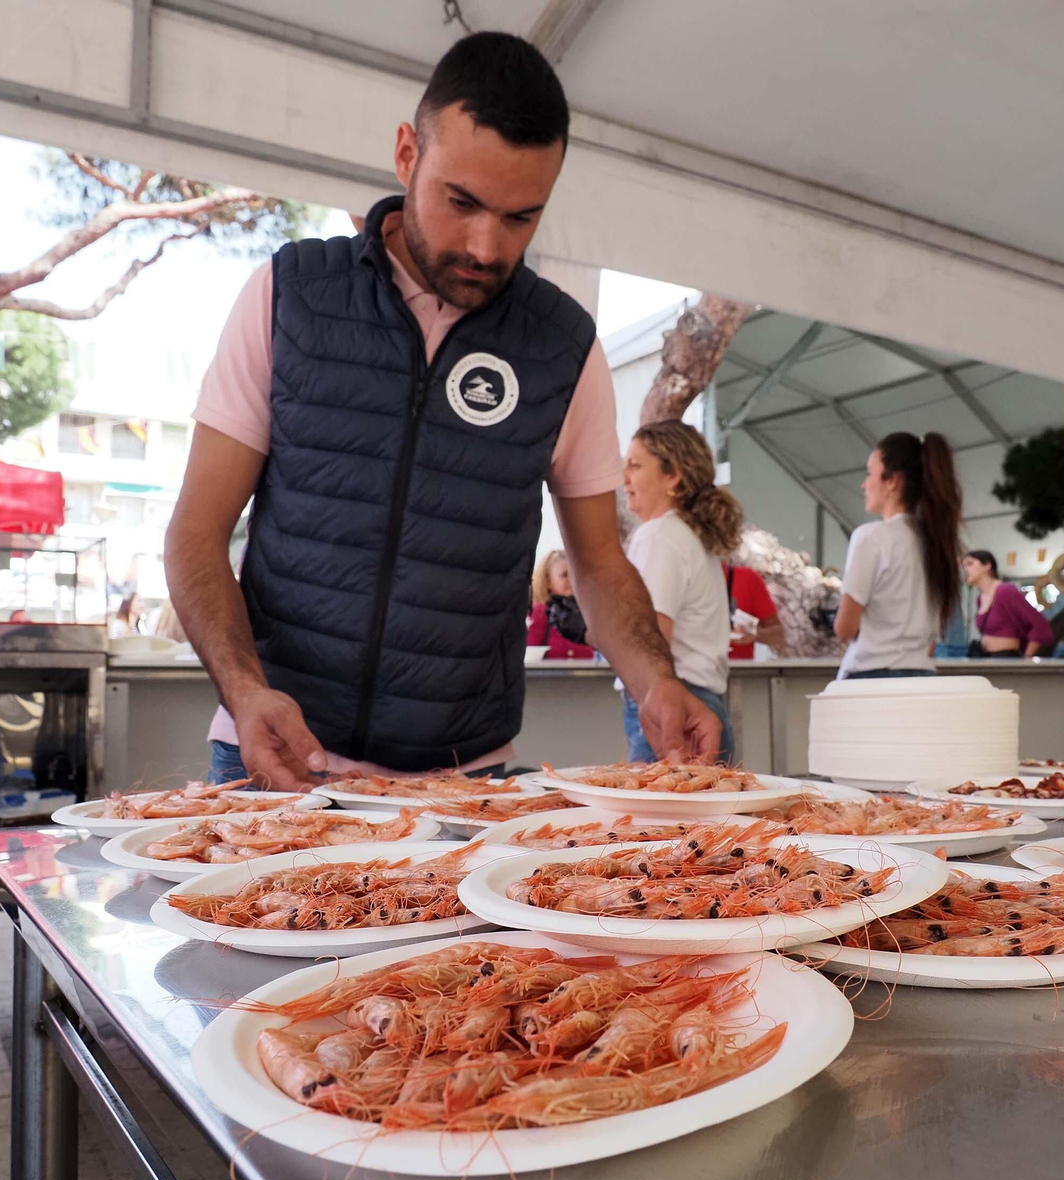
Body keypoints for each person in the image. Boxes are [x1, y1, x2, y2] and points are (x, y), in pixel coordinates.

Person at [165, 33, 719, 789]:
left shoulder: (563, 347)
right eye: (462, 203)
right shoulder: (290, 296)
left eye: (521, 218)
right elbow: (196, 535)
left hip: (465, 782)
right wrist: (243, 690)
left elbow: (596, 562)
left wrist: (655, 681)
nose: (486, 247)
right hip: (276, 757)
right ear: (406, 154)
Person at [622, 421, 742, 763]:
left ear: (672, 475)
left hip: (673, 709)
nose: (624, 478)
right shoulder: (689, 537)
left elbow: (651, 636)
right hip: (699, 704)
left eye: (635, 465)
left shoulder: (659, 535)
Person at [833, 432, 964, 679]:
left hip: (870, 675)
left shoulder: (870, 536)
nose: (864, 484)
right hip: (922, 675)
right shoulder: (937, 544)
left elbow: (845, 628)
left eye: (870, 473)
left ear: (892, 481)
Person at [963, 550, 1054, 658]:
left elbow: (1039, 624)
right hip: (984, 656)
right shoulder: (980, 598)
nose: (966, 569)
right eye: (964, 566)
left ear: (987, 566)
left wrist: (1026, 658)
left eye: (970, 564)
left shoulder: (1005, 591)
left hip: (1005, 657)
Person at [528, 550, 593, 659]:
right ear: (548, 581)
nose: (572, 580)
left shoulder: (587, 613)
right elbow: (531, 656)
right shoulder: (540, 613)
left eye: (575, 574)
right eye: (565, 575)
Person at [724, 563, 782, 659]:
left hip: (737, 666)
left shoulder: (746, 578)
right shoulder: (696, 581)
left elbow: (778, 634)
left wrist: (754, 634)